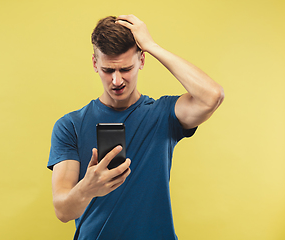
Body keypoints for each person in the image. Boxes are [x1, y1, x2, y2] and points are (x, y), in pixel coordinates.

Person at [48, 14, 224, 240]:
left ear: (141, 61)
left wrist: (151, 45)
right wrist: (87, 188)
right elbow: (63, 210)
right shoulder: (70, 125)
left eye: (126, 69)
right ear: (95, 64)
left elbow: (212, 95)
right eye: (108, 70)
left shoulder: (163, 114)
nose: (117, 81)